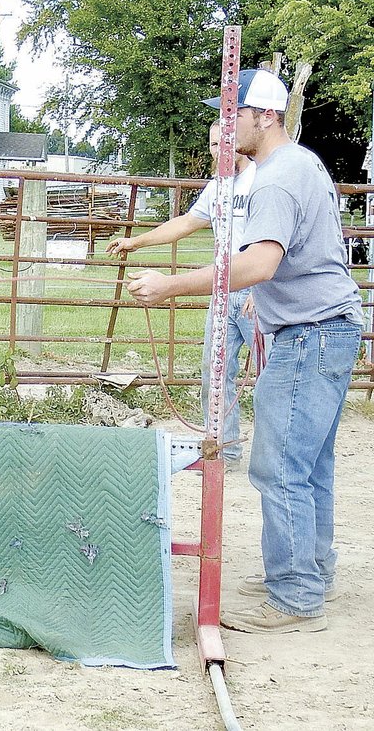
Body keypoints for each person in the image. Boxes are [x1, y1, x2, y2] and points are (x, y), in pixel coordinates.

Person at [126, 68, 363, 633]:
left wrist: (171, 284)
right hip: (325, 325)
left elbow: (259, 263)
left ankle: (294, 594)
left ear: (266, 116)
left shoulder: (277, 178)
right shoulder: (297, 166)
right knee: (310, 464)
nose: (226, 126)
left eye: (235, 113)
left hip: (310, 331)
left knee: (278, 464)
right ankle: (310, 573)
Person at [106, 119, 259, 471]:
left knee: (270, 374)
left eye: (226, 143)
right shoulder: (218, 186)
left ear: (243, 143)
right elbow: (186, 223)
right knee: (215, 372)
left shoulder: (261, 180)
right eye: (213, 144)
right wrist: (136, 240)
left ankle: (273, 454)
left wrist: (265, 288)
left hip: (256, 288)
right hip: (223, 292)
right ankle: (226, 453)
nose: (219, 150)